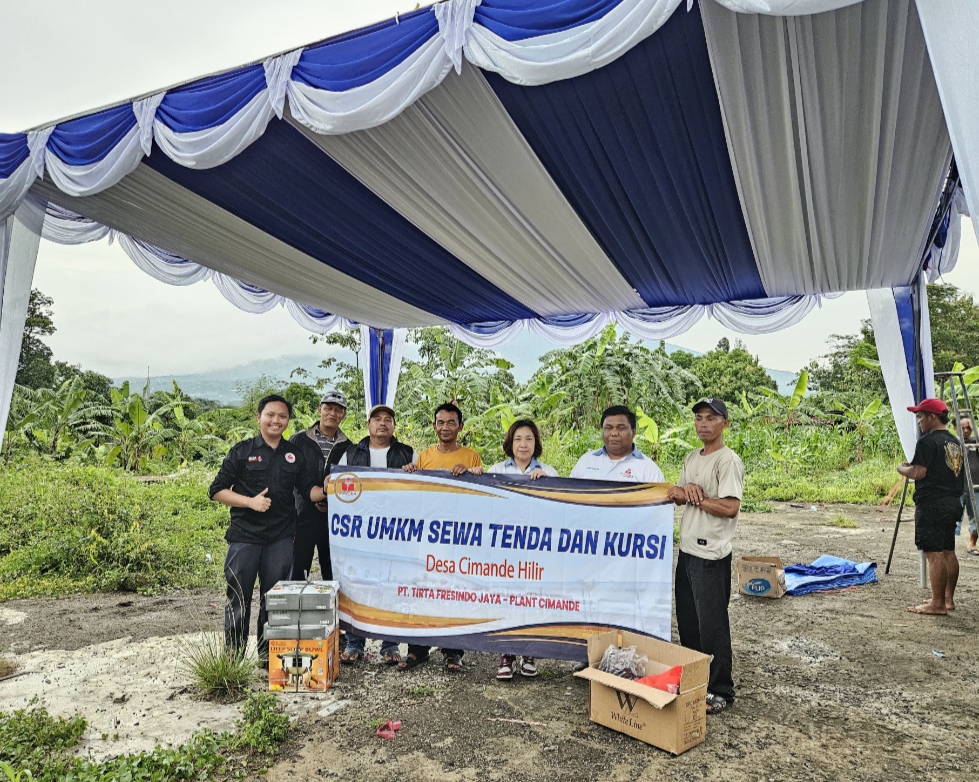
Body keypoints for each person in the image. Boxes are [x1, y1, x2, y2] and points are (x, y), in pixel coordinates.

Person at [209, 394, 325, 662]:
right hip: (244, 537)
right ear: (259, 417)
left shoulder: (294, 454)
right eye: (270, 415)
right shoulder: (243, 451)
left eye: (282, 416)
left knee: (274, 601)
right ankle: (233, 659)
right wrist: (250, 502)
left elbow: (308, 491)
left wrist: (329, 488)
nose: (276, 420)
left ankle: (268, 657)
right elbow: (217, 490)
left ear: (288, 421)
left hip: (281, 538)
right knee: (238, 598)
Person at [666, 398, 744, 716]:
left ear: (725, 423)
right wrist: (683, 493)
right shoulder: (692, 457)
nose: (703, 424)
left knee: (712, 625)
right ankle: (697, 681)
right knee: (688, 622)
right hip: (687, 551)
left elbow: (730, 507)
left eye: (711, 418)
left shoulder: (727, 461)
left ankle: (721, 688)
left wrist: (697, 498)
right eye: (699, 418)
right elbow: (679, 495)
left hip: (710, 555)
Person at [471, 418, 558, 679]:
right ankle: (506, 655)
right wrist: (476, 477)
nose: (523, 444)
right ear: (510, 443)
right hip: (505, 550)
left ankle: (529, 653)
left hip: (536, 550)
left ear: (536, 443)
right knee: (506, 599)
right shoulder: (497, 470)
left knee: (532, 599)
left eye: (529, 439)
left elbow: (558, 509)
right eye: (518, 439)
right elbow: (485, 504)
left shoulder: (549, 472)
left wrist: (547, 485)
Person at [401, 402, 482, 672]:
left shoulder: (471, 456)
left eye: (451, 422)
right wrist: (410, 473)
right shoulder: (424, 456)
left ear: (460, 426)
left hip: (458, 537)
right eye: (440, 422)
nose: (445, 427)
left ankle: (453, 651)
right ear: (434, 426)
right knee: (423, 589)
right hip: (428, 536)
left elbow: (482, 493)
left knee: (454, 593)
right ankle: (417, 649)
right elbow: (415, 492)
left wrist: (472, 473)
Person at [335, 403, 416, 664]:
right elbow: (339, 487)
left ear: (394, 426)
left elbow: (420, 491)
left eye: (388, 419)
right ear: (368, 425)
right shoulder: (350, 453)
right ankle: (355, 643)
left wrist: (414, 473)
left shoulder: (408, 453)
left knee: (391, 587)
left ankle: (390, 645)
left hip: (396, 534)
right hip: (360, 535)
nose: (383, 423)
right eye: (377, 419)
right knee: (357, 586)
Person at [898, 398, 964, 615]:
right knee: (948, 551)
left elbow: (918, 472)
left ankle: (937, 604)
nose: (919, 421)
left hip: (932, 503)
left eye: (920, 416)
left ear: (932, 417)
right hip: (953, 502)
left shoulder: (927, 442)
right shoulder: (954, 441)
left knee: (933, 553)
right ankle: (947, 599)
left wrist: (902, 469)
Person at [290, 390, 351, 581]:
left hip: (333, 520)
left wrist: (330, 502)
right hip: (301, 516)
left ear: (344, 415)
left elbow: (350, 481)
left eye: (338, 410)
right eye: (328, 408)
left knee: (333, 572)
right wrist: (310, 499)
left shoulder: (349, 447)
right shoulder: (298, 440)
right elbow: (291, 477)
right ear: (319, 410)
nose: (333, 413)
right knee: (297, 571)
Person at [569, 405, 664, 483]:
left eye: (621, 428)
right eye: (608, 428)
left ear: (633, 432)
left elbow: (659, 500)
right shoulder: (586, 461)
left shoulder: (649, 469)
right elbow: (569, 493)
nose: (614, 433)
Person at [957, 417, 979, 556]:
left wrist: (974, 428)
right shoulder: (953, 442)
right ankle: (947, 547)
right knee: (953, 516)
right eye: (962, 428)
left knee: (977, 516)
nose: (966, 431)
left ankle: (972, 543)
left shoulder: (975, 442)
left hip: (975, 487)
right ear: (955, 428)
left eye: (968, 428)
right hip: (957, 488)